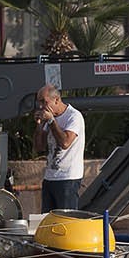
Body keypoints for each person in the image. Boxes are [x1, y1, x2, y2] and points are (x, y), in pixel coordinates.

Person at [33, 84, 85, 212]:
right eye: (39, 102)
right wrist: (39, 126)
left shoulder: (73, 116)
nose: (41, 106)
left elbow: (65, 143)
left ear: (56, 99)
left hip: (68, 178)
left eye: (44, 102)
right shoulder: (48, 117)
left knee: (65, 220)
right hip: (49, 177)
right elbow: (39, 147)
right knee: (47, 220)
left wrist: (51, 121)